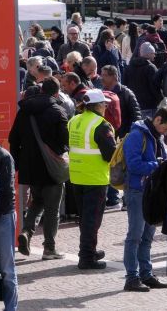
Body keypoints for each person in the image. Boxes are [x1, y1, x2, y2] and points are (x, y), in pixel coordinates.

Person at [9, 78, 69, 259]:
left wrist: (19, 163)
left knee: (37, 202)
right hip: (51, 168)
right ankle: (49, 248)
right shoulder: (58, 111)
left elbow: (13, 139)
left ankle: (26, 232)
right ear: (56, 93)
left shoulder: (24, 111)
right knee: (52, 208)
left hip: (30, 167)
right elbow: (65, 142)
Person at [122, 107, 167, 291]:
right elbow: (134, 164)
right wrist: (158, 164)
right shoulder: (137, 135)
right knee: (135, 236)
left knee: (147, 237)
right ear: (158, 119)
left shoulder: (155, 136)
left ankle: (146, 274)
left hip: (150, 192)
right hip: (137, 191)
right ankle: (131, 277)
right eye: (166, 128)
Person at [67, 89, 118, 271]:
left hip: (77, 175)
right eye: (104, 103)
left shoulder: (74, 120)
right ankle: (86, 257)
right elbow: (110, 155)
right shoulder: (101, 125)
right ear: (97, 105)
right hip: (95, 178)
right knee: (92, 220)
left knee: (85, 218)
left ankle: (89, 250)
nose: (106, 106)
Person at [100, 65, 141, 139]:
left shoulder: (126, 93)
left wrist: (131, 135)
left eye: (105, 75)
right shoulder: (100, 94)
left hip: (124, 137)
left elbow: (136, 116)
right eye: (101, 75)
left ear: (114, 76)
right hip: (106, 138)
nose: (101, 78)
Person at [124, 42, 162, 119]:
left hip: (134, 106)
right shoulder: (151, 68)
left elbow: (125, 85)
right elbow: (155, 87)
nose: (154, 55)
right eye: (153, 53)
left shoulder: (129, 67)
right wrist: (160, 99)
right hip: (150, 106)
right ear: (148, 54)